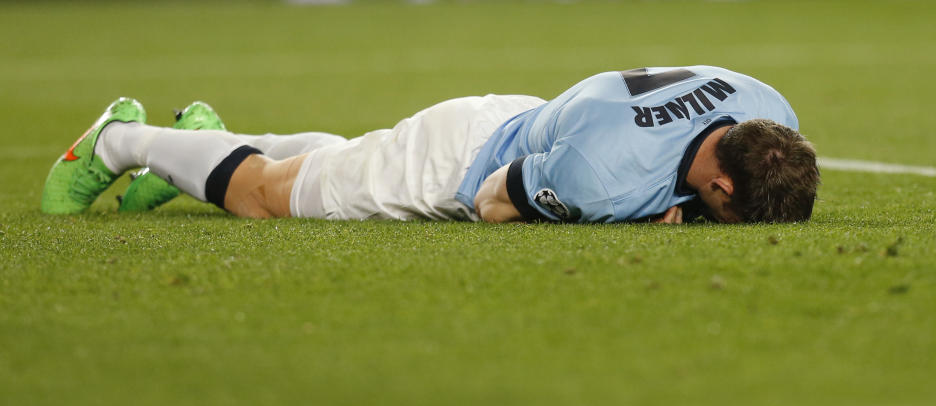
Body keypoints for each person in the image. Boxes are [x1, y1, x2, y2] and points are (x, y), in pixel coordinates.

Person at [41, 66, 819, 224]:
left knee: (342, 155)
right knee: (265, 197)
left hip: (529, 112)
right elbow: (490, 204)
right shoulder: (605, 182)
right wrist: (634, 214)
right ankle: (120, 142)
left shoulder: (764, 103)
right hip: (465, 162)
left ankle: (203, 142)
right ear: (721, 188)